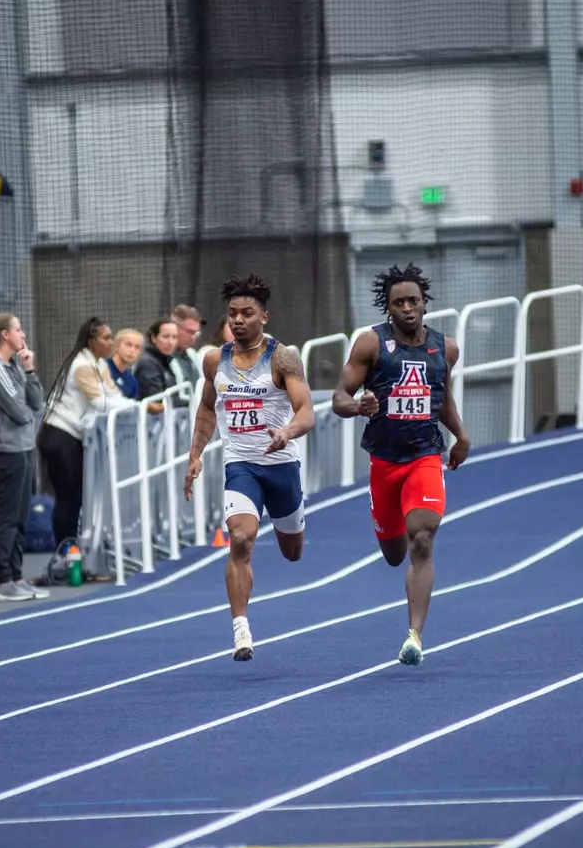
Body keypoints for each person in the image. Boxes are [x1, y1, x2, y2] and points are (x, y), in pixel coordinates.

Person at [333, 263, 472, 666]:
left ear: (425, 304)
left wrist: (460, 435)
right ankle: (388, 527)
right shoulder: (370, 344)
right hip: (384, 463)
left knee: (422, 537)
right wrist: (359, 405)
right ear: (388, 308)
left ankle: (414, 636)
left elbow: (440, 398)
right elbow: (339, 397)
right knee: (394, 554)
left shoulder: (446, 349)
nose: (407, 307)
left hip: (425, 455)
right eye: (399, 302)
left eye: (414, 300)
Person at [183, 275, 315, 662]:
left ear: (264, 317)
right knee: (240, 539)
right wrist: (195, 454)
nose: (239, 320)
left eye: (248, 313)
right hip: (241, 464)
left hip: (280, 464)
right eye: (233, 313)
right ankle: (241, 628)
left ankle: (295, 519)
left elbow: (306, 410)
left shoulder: (283, 357)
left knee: (292, 552)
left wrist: (287, 430)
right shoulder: (214, 360)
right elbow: (208, 407)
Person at [0, 314, 48, 600]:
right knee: (6, 516)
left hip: (24, 447)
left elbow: (36, 401)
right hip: (7, 450)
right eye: (18, 329)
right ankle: (3, 578)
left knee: (21, 515)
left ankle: (17, 575)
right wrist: (27, 407)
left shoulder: (15, 365)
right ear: (5, 335)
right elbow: (20, 413)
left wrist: (29, 370)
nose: (23, 335)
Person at [38, 317, 124, 550]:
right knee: (68, 497)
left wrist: (135, 405)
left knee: (77, 497)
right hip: (58, 436)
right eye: (106, 338)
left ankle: (75, 550)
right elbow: (102, 403)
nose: (111, 342)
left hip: (72, 438)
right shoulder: (81, 365)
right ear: (90, 341)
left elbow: (114, 396)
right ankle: (65, 552)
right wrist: (141, 407)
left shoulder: (100, 364)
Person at [109, 329, 142, 399]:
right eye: (128, 345)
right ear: (117, 346)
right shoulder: (101, 367)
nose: (132, 350)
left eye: (137, 347)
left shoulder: (132, 381)